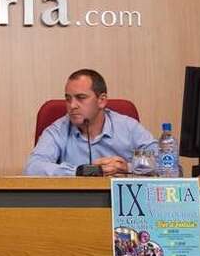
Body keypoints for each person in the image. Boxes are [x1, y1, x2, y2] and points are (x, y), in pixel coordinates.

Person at [23, 69, 156, 176]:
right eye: (68, 99)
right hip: (76, 199)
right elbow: (33, 167)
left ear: (102, 100)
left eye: (81, 98)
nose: (72, 105)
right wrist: (80, 171)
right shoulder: (58, 129)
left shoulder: (128, 127)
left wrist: (128, 167)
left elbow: (163, 161)